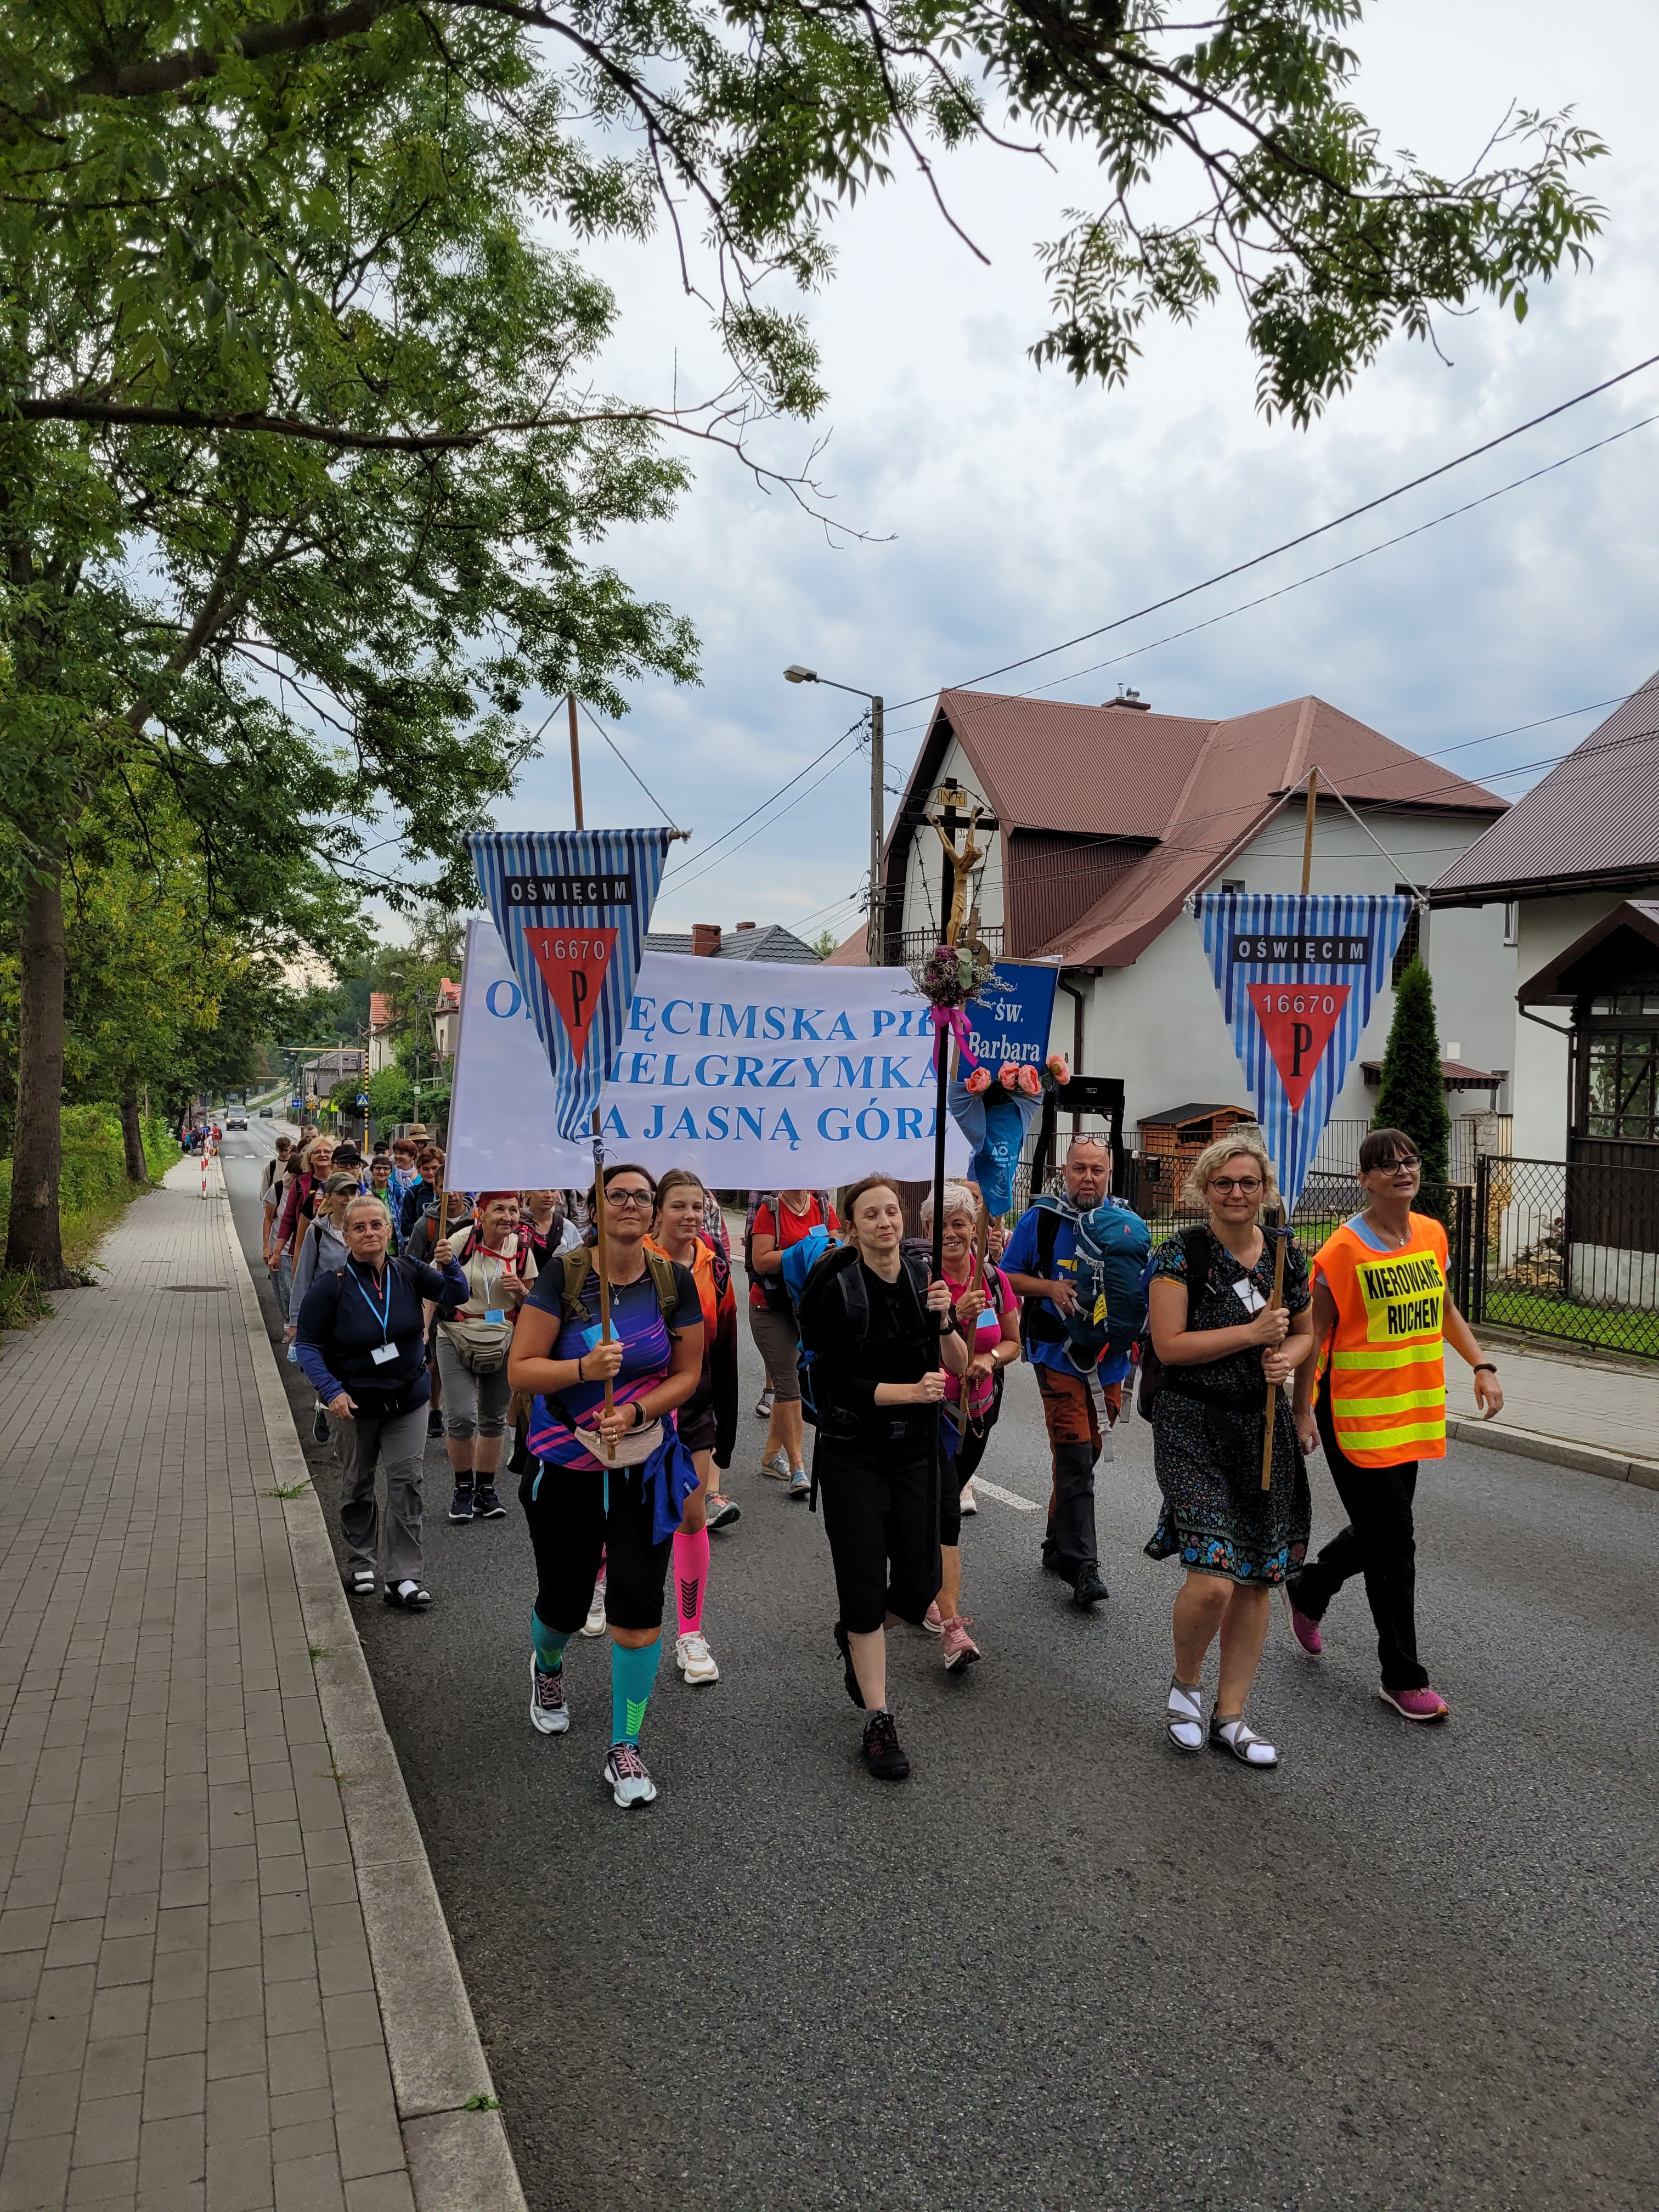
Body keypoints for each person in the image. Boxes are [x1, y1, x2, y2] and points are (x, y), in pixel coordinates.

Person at [1288, 1126, 1504, 1723]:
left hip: (1409, 1411)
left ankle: (1310, 1587)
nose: (1403, 1171)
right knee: (1395, 1542)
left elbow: (1445, 1308)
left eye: (1410, 1161)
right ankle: (1402, 1677)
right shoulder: (1342, 1252)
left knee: (1380, 1530)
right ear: (1365, 1180)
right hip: (1353, 1415)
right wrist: (1302, 1409)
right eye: (1387, 1165)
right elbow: (1314, 1337)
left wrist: (1481, 1365)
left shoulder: (1431, 1234)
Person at [507, 1163, 704, 1811]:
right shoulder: (563, 1276)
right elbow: (521, 1370)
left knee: (637, 1614)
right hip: (564, 1469)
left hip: (644, 1470)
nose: (630, 1205)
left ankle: (625, 1745)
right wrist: (583, 1369)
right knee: (563, 1608)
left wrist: (639, 1410)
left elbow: (688, 1373)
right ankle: (548, 1666)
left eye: (641, 1197)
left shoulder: (672, 1281)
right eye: (616, 1194)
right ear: (596, 1205)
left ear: (653, 1211)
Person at [1146, 1131, 1314, 1768]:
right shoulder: (1179, 1254)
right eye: (1224, 1183)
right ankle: (1186, 1687)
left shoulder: (1286, 1255)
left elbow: (1306, 1333)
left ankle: (1232, 1715)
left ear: (1264, 1189)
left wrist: (1287, 1361)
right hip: (1192, 1425)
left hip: (1262, 1428)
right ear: (1205, 1190)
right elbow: (1169, 1346)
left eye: (1248, 1182)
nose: (1237, 1193)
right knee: (1214, 1580)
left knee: (1257, 1577)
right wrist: (1251, 1334)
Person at [797, 1177, 966, 1783]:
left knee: (921, 1586)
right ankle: (878, 1718)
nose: (886, 1222)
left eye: (892, 1211)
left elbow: (960, 1367)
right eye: (871, 1214)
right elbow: (834, 1382)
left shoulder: (925, 1280)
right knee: (865, 1584)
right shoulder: (838, 1289)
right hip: (853, 1454)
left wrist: (945, 1324)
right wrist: (908, 1393)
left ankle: (854, 1630)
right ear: (851, 1227)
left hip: (917, 1452)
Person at [294, 1193, 466, 1609]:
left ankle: (403, 1576)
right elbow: (307, 1346)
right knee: (357, 1482)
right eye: (359, 1227)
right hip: (353, 1404)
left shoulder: (409, 1270)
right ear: (346, 1236)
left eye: (377, 1225)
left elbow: (456, 1295)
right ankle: (361, 1561)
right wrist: (331, 1391)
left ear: (389, 1231)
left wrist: (451, 1263)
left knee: (407, 1482)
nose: (369, 1233)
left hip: (408, 1398)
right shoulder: (330, 1287)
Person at [1002, 1136, 1122, 1609]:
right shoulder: (1042, 1219)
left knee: (1088, 1453)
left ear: (1109, 1173)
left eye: (1097, 1169)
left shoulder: (1125, 1222)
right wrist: (1049, 1288)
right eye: (1079, 1169)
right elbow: (1007, 1276)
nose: (1088, 1178)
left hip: (1110, 1359)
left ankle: (1057, 1542)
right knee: (1073, 1455)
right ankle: (1083, 1567)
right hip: (1056, 1353)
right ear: (1065, 1172)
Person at [921, 1181, 1020, 1671]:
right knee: (946, 1513)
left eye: (960, 1223)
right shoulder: (923, 1284)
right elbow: (904, 1348)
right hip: (931, 1416)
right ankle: (952, 1627)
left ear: (974, 1229)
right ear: (926, 1231)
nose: (951, 1234)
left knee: (936, 1506)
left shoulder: (993, 1279)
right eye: (941, 1226)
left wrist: (990, 1358)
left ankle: (922, 1581)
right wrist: (952, 1320)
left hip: (979, 1414)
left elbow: (1014, 1342)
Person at [647, 1170, 740, 1686]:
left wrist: (728, 1429)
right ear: (658, 1211)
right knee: (625, 1512)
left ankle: (690, 1633)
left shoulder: (716, 1268)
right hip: (638, 1408)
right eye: (678, 1206)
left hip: (696, 1409)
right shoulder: (631, 1259)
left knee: (691, 1514)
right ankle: (601, 1581)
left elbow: (725, 1349)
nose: (689, 1216)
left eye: (697, 1206)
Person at [435, 1192, 537, 1524]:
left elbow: (533, 1305)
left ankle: (485, 1489)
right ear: (481, 1212)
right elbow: (433, 1287)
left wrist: (519, 1289)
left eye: (514, 1210)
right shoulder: (460, 1241)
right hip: (456, 1334)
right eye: (499, 1209)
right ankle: (463, 1488)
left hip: (504, 1337)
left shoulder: (522, 1248)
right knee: (462, 1416)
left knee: (493, 1418)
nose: (508, 1217)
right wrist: (422, 1330)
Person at [748, 1187, 839, 1498]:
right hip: (770, 1308)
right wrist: (801, 1251)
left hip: (806, 1309)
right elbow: (760, 1262)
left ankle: (771, 1455)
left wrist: (820, 1250)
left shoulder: (823, 1208)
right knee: (790, 1384)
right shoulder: (771, 1209)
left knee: (793, 1381)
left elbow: (835, 1251)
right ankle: (799, 1468)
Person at [274, 1135, 336, 1320]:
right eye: (317, 1152)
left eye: (327, 1152)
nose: (322, 1155)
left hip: (333, 1249)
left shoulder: (341, 1183)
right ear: (310, 1158)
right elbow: (288, 1219)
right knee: (303, 1290)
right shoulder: (301, 1184)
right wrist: (277, 1251)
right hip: (305, 1246)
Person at [521, 1189, 582, 1268]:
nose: (549, 1195)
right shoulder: (517, 1226)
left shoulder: (568, 1228)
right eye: (542, 1190)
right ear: (528, 1192)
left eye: (553, 1190)